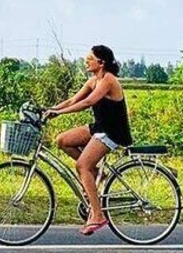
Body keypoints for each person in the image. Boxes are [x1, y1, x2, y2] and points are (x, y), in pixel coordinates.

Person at [45, 45, 133, 236]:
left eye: (90, 58)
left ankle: (98, 215)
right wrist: (50, 110)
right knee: (62, 140)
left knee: (82, 166)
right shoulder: (94, 80)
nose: (86, 61)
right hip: (99, 128)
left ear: (101, 63)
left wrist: (58, 113)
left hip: (112, 132)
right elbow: (72, 101)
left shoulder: (108, 80)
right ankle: (92, 173)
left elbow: (87, 103)